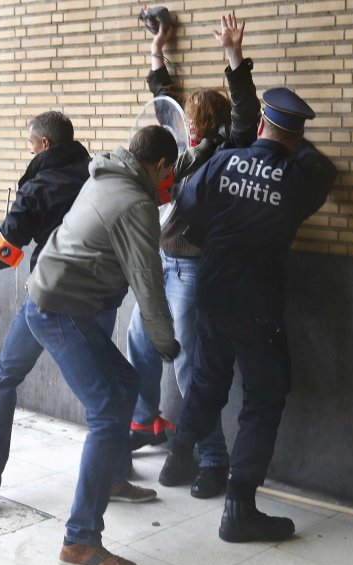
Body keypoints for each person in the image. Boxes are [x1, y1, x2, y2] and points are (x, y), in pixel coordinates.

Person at [0, 111, 155, 509]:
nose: (28, 149)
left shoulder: (39, 184)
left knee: (5, 378)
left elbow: (2, 255)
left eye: (29, 143)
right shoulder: (97, 172)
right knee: (117, 384)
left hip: (51, 296)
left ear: (43, 144)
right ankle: (114, 475)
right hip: (100, 298)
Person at [159, 88, 337, 543]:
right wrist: (296, 149)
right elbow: (324, 171)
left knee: (208, 379)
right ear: (296, 137)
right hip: (257, 301)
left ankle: (178, 458)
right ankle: (239, 510)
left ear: (259, 126)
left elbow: (190, 207)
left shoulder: (223, 161)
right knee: (263, 397)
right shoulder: (299, 175)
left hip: (212, 287)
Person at [21, 126, 179, 565]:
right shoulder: (136, 204)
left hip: (57, 300)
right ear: (160, 166)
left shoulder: (109, 175)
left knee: (126, 382)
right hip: (59, 310)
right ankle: (80, 541)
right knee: (108, 409)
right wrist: (166, 342)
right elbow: (149, 284)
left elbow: (173, 162)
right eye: (170, 172)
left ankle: (110, 479)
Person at [129, 13, 261, 500]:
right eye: (187, 118)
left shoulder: (226, 149)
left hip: (192, 267)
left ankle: (212, 457)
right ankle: (145, 424)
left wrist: (233, 55)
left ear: (212, 125)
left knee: (186, 359)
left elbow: (246, 113)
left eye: (195, 120)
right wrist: (158, 48)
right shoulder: (178, 144)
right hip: (161, 262)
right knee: (138, 343)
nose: (186, 125)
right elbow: (162, 97)